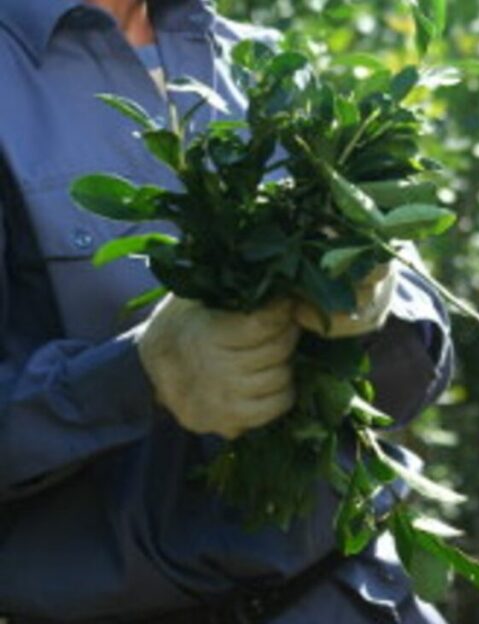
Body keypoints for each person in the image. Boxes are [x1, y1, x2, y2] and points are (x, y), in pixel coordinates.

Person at [0, 1, 453, 622]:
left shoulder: (264, 64)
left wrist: (376, 304)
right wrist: (138, 375)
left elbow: (415, 374)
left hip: (354, 595)